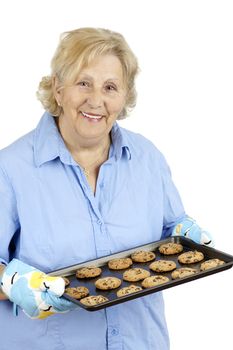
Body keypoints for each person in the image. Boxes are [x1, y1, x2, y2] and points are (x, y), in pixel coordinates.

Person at [0, 27, 213, 350]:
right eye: (83, 83)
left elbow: (172, 229)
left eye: (110, 87)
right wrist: (16, 286)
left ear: (124, 97)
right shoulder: (11, 168)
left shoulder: (147, 159)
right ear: (58, 87)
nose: (96, 100)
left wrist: (186, 234)